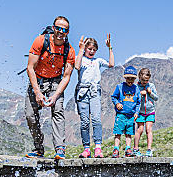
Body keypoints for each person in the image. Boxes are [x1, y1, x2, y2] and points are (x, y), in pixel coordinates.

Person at [24, 16, 75, 159]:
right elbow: (30, 68)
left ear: (68, 32)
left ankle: (60, 149)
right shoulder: (41, 41)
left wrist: (56, 95)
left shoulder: (69, 50)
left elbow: (66, 76)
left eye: (64, 30)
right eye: (58, 28)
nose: (61, 32)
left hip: (56, 82)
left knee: (58, 111)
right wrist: (37, 92)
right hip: (38, 80)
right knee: (30, 115)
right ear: (53, 28)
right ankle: (38, 149)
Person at [74, 34, 114, 158]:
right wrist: (81, 49)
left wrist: (110, 48)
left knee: (96, 119)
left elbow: (111, 64)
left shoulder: (98, 61)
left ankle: (98, 147)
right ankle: (86, 148)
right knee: (84, 122)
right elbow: (77, 66)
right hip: (83, 92)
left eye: (94, 49)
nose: (91, 51)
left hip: (95, 91)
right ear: (85, 48)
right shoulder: (80, 58)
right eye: (89, 49)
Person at [111, 65, 140, 158]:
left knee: (129, 133)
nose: (130, 80)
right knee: (118, 132)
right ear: (125, 78)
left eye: (132, 79)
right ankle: (116, 149)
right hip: (121, 115)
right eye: (128, 78)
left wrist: (136, 113)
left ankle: (128, 149)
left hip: (131, 116)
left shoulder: (136, 89)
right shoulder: (119, 87)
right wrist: (117, 103)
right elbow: (114, 97)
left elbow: (138, 103)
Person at [133, 68, 158, 156]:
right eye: (143, 80)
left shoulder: (151, 86)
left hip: (150, 111)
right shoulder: (136, 87)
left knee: (148, 129)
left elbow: (156, 98)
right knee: (140, 129)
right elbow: (133, 98)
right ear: (139, 78)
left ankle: (149, 150)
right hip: (140, 112)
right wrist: (140, 93)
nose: (145, 82)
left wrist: (150, 93)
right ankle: (135, 149)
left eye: (146, 80)